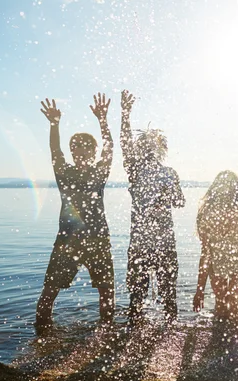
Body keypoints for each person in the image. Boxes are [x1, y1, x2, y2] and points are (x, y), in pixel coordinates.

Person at [36, 94, 115, 333]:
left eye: (87, 150)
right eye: (77, 150)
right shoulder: (64, 173)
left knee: (107, 291)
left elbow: (109, 150)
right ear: (72, 153)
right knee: (50, 290)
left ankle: (107, 335)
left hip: (98, 239)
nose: (81, 154)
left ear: (93, 153)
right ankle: (41, 332)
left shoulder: (99, 173)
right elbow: (54, 149)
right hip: (67, 240)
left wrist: (103, 121)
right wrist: (54, 124)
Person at [120, 90, 185, 324]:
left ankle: (170, 336)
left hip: (165, 243)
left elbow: (180, 201)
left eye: (152, 146)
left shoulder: (170, 173)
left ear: (160, 149)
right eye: (144, 146)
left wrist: (167, 197)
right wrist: (125, 114)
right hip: (140, 244)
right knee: (136, 298)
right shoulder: (135, 170)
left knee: (169, 297)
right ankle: (132, 337)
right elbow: (125, 145)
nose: (148, 150)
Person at [192, 171, 238, 324]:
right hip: (217, 260)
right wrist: (199, 289)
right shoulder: (206, 214)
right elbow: (206, 253)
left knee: (234, 304)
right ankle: (222, 338)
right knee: (222, 303)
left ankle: (231, 338)